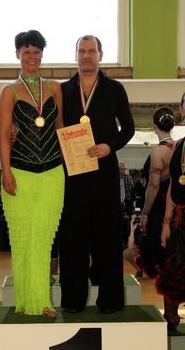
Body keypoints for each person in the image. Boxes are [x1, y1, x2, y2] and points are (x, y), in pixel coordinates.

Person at [58, 35, 135, 313]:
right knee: (73, 239)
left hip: (104, 174)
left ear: (100, 54)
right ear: (75, 54)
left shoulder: (115, 89)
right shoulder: (63, 90)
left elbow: (128, 128)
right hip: (73, 175)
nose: (87, 55)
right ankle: (73, 302)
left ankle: (111, 301)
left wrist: (109, 146)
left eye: (92, 51)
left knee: (107, 238)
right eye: (82, 51)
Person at [0, 30, 64, 317]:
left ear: (42, 55)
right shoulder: (9, 91)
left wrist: (77, 156)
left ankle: (44, 302)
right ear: (17, 55)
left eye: (37, 52)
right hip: (20, 173)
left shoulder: (54, 88)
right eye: (26, 52)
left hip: (53, 172)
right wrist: (6, 171)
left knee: (43, 237)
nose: (32, 57)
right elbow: (3, 134)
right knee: (22, 237)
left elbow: (60, 128)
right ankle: (25, 301)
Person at [155, 94, 185, 335]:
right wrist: (166, 223)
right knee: (174, 272)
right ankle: (171, 325)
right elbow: (174, 186)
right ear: (182, 110)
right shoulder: (179, 145)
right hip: (179, 221)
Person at [135, 107, 175, 278]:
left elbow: (153, 186)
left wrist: (145, 212)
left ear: (154, 125)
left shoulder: (159, 151)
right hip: (176, 206)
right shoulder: (179, 147)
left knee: (159, 261)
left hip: (159, 209)